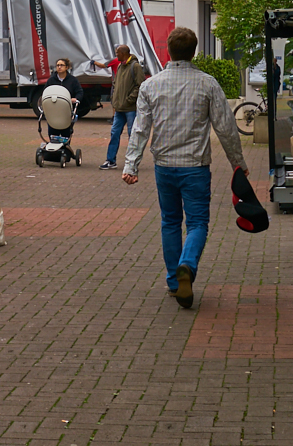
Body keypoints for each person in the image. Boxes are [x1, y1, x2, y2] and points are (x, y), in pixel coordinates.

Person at [120, 26, 247, 309]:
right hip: (195, 166)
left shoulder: (151, 85)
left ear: (168, 51)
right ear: (194, 52)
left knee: (169, 221)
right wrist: (238, 163)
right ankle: (187, 264)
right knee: (198, 223)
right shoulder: (208, 84)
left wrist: (131, 165)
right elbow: (226, 127)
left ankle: (174, 281)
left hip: (164, 166)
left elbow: (140, 128)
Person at [102, 43, 146, 170]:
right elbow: (116, 84)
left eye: (117, 53)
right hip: (119, 108)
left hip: (130, 108)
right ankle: (110, 160)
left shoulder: (135, 66)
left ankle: (132, 162)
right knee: (114, 133)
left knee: (132, 135)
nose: (116, 55)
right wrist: (115, 100)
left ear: (124, 53)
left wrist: (129, 100)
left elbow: (140, 85)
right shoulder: (120, 66)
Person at [45, 58, 83, 142]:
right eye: (58, 65)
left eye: (61, 65)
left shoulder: (73, 80)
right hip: (54, 110)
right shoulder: (51, 80)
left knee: (66, 134)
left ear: (67, 67)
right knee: (53, 133)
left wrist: (76, 99)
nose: (59, 67)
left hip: (67, 111)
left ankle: (65, 147)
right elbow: (46, 92)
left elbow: (79, 92)